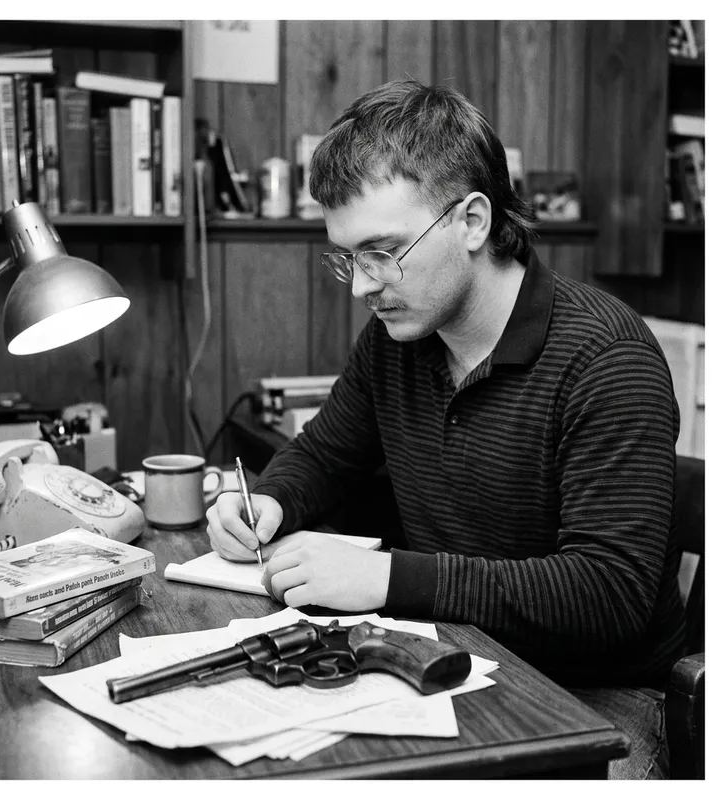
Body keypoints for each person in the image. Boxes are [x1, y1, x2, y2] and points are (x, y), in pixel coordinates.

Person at [206, 80, 686, 779]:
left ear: (472, 221)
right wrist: (269, 502)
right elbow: (323, 453)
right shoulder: (396, 339)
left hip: (601, 699)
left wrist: (386, 579)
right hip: (448, 656)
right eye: (346, 257)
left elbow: (604, 593)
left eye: (382, 252)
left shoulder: (606, 359)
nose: (361, 286)